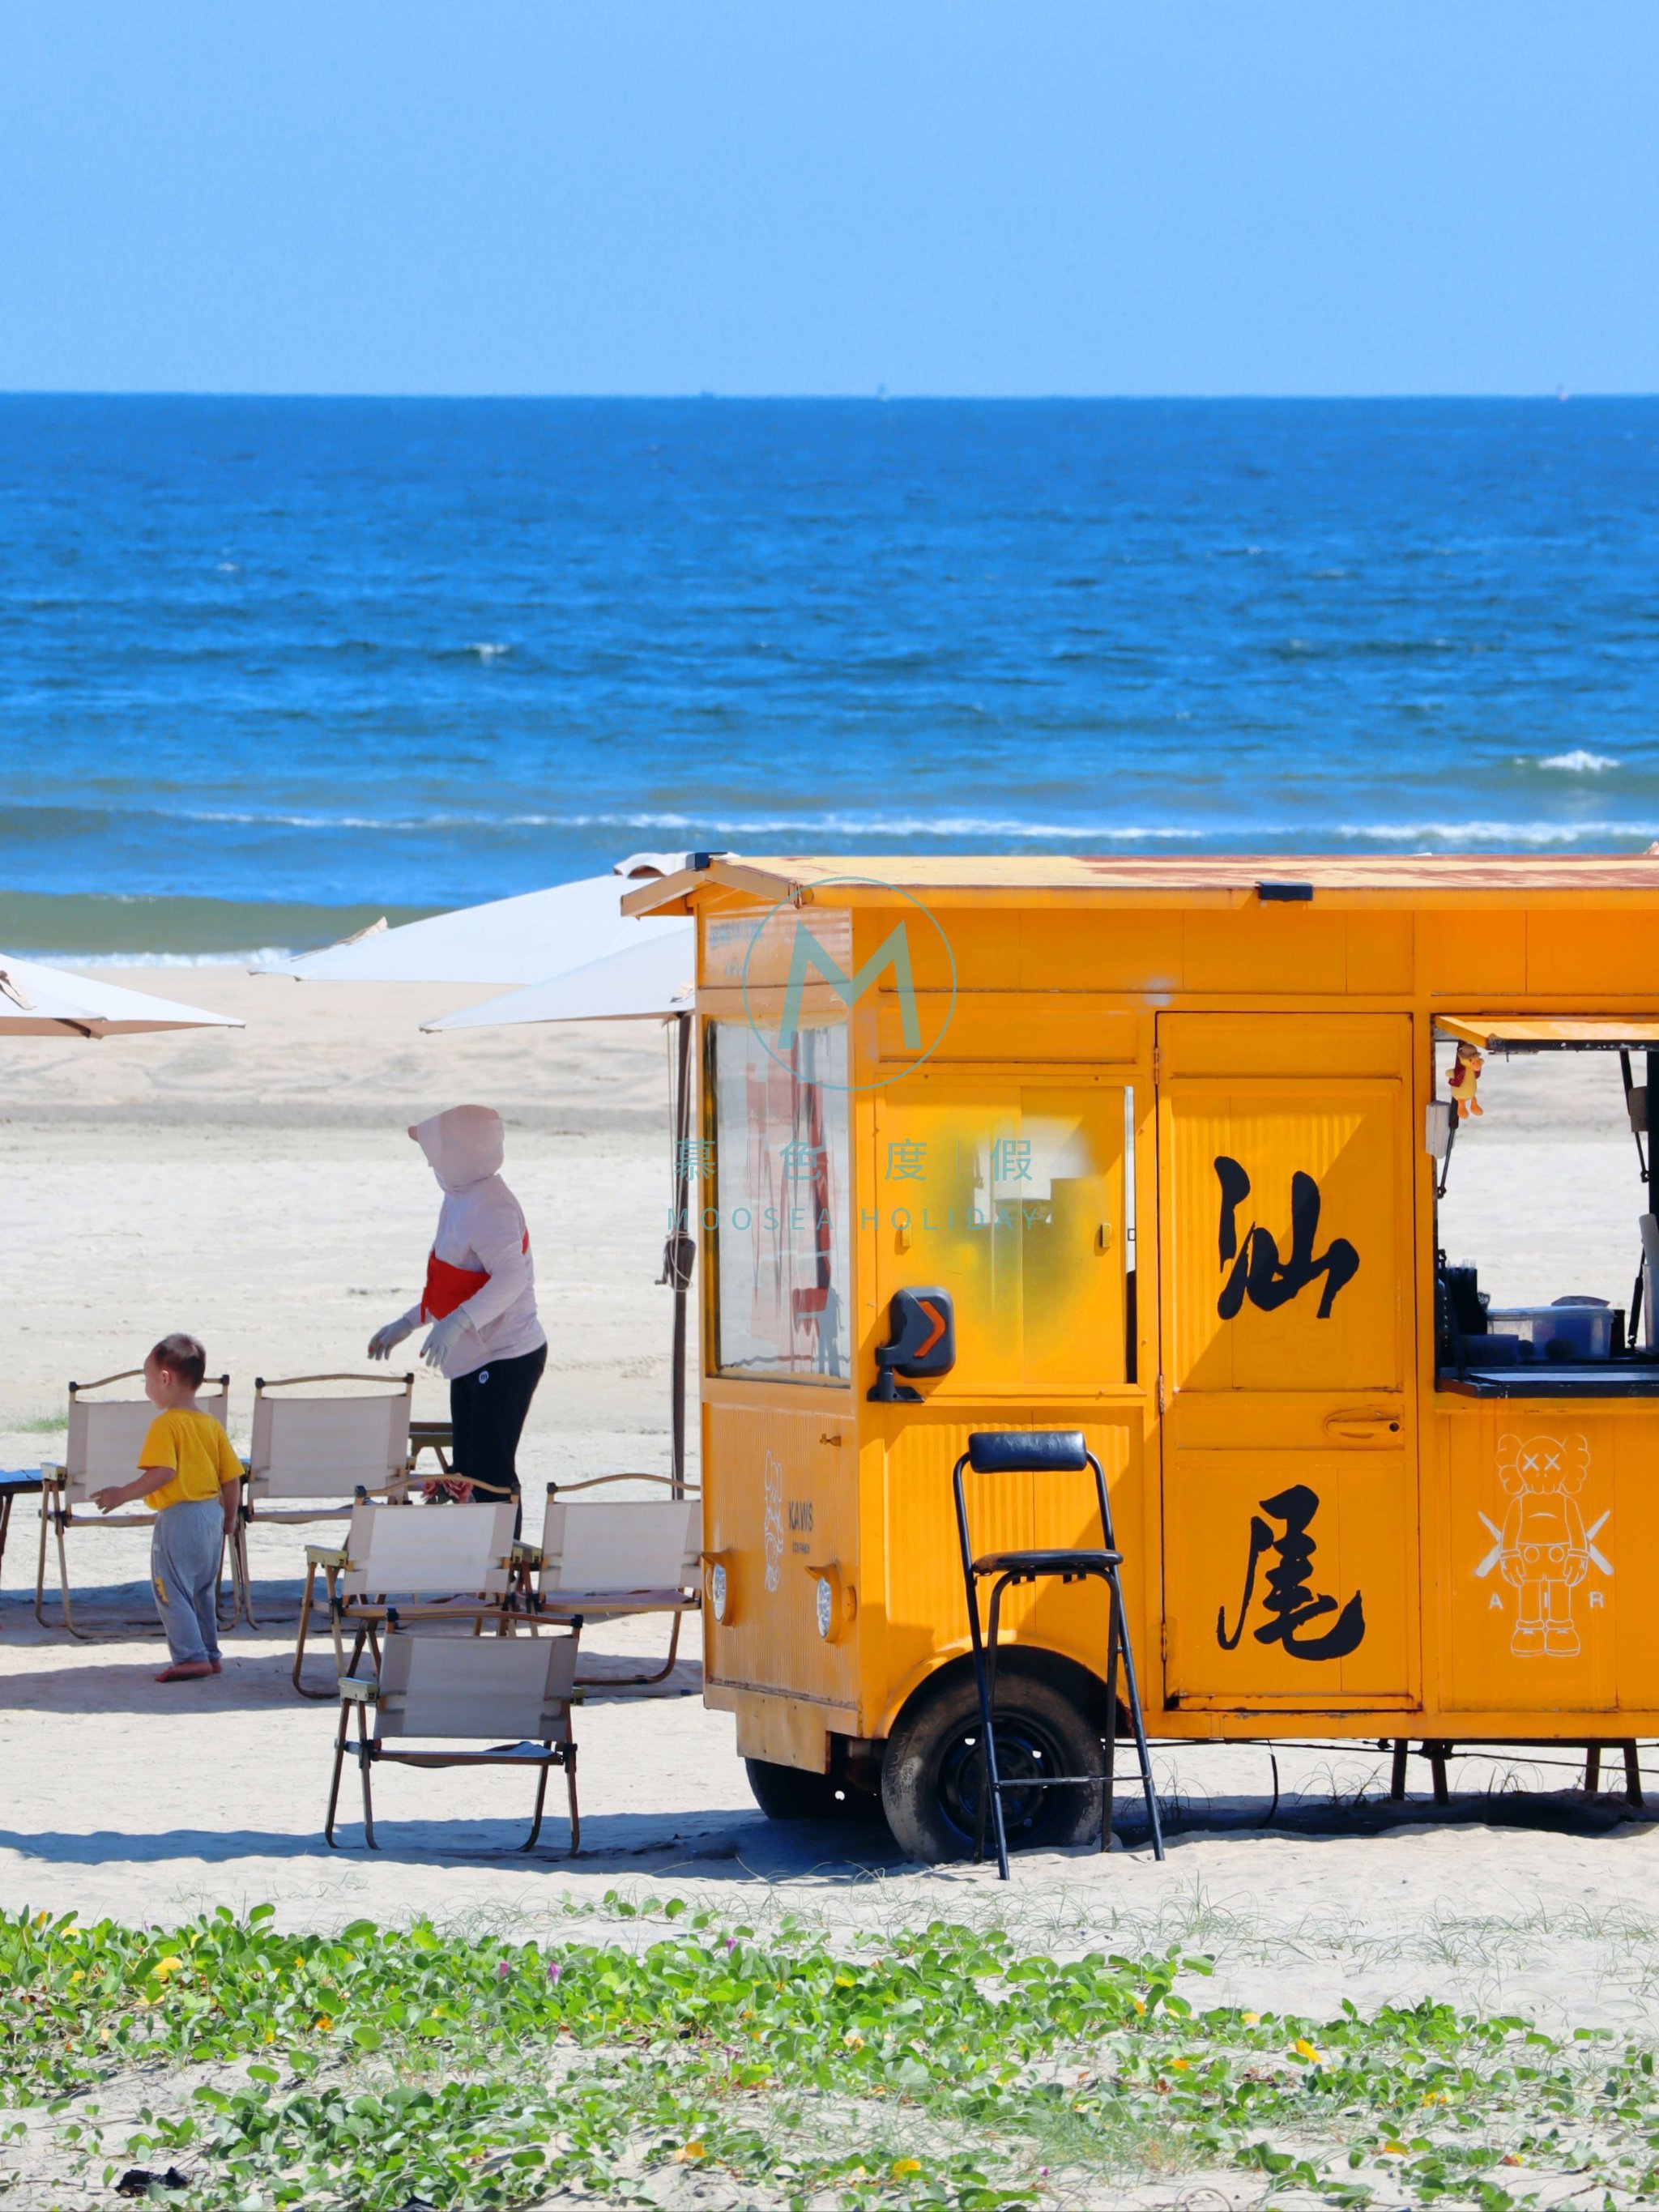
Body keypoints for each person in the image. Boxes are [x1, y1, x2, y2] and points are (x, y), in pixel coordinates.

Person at [368, 1105, 546, 1524]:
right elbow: (455, 1282)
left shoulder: (493, 1207)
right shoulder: (459, 1198)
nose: (430, 1161)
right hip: (469, 1358)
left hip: (506, 1356)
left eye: (439, 1151)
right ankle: (473, 1572)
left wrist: (459, 1322)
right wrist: (410, 1322)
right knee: (465, 1475)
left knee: (489, 1474)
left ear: (464, 1153)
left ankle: (500, 1571)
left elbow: (510, 1280)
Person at [92, 1332, 241, 1684]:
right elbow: (232, 1477)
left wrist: (121, 1494)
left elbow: (163, 1472)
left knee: (169, 1588)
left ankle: (190, 1657)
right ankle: (209, 1652)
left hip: (179, 1517)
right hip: (212, 1515)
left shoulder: (166, 1424)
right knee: (202, 1589)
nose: (147, 1389)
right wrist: (231, 1516)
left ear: (164, 1379)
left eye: (147, 1380)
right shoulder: (210, 1425)